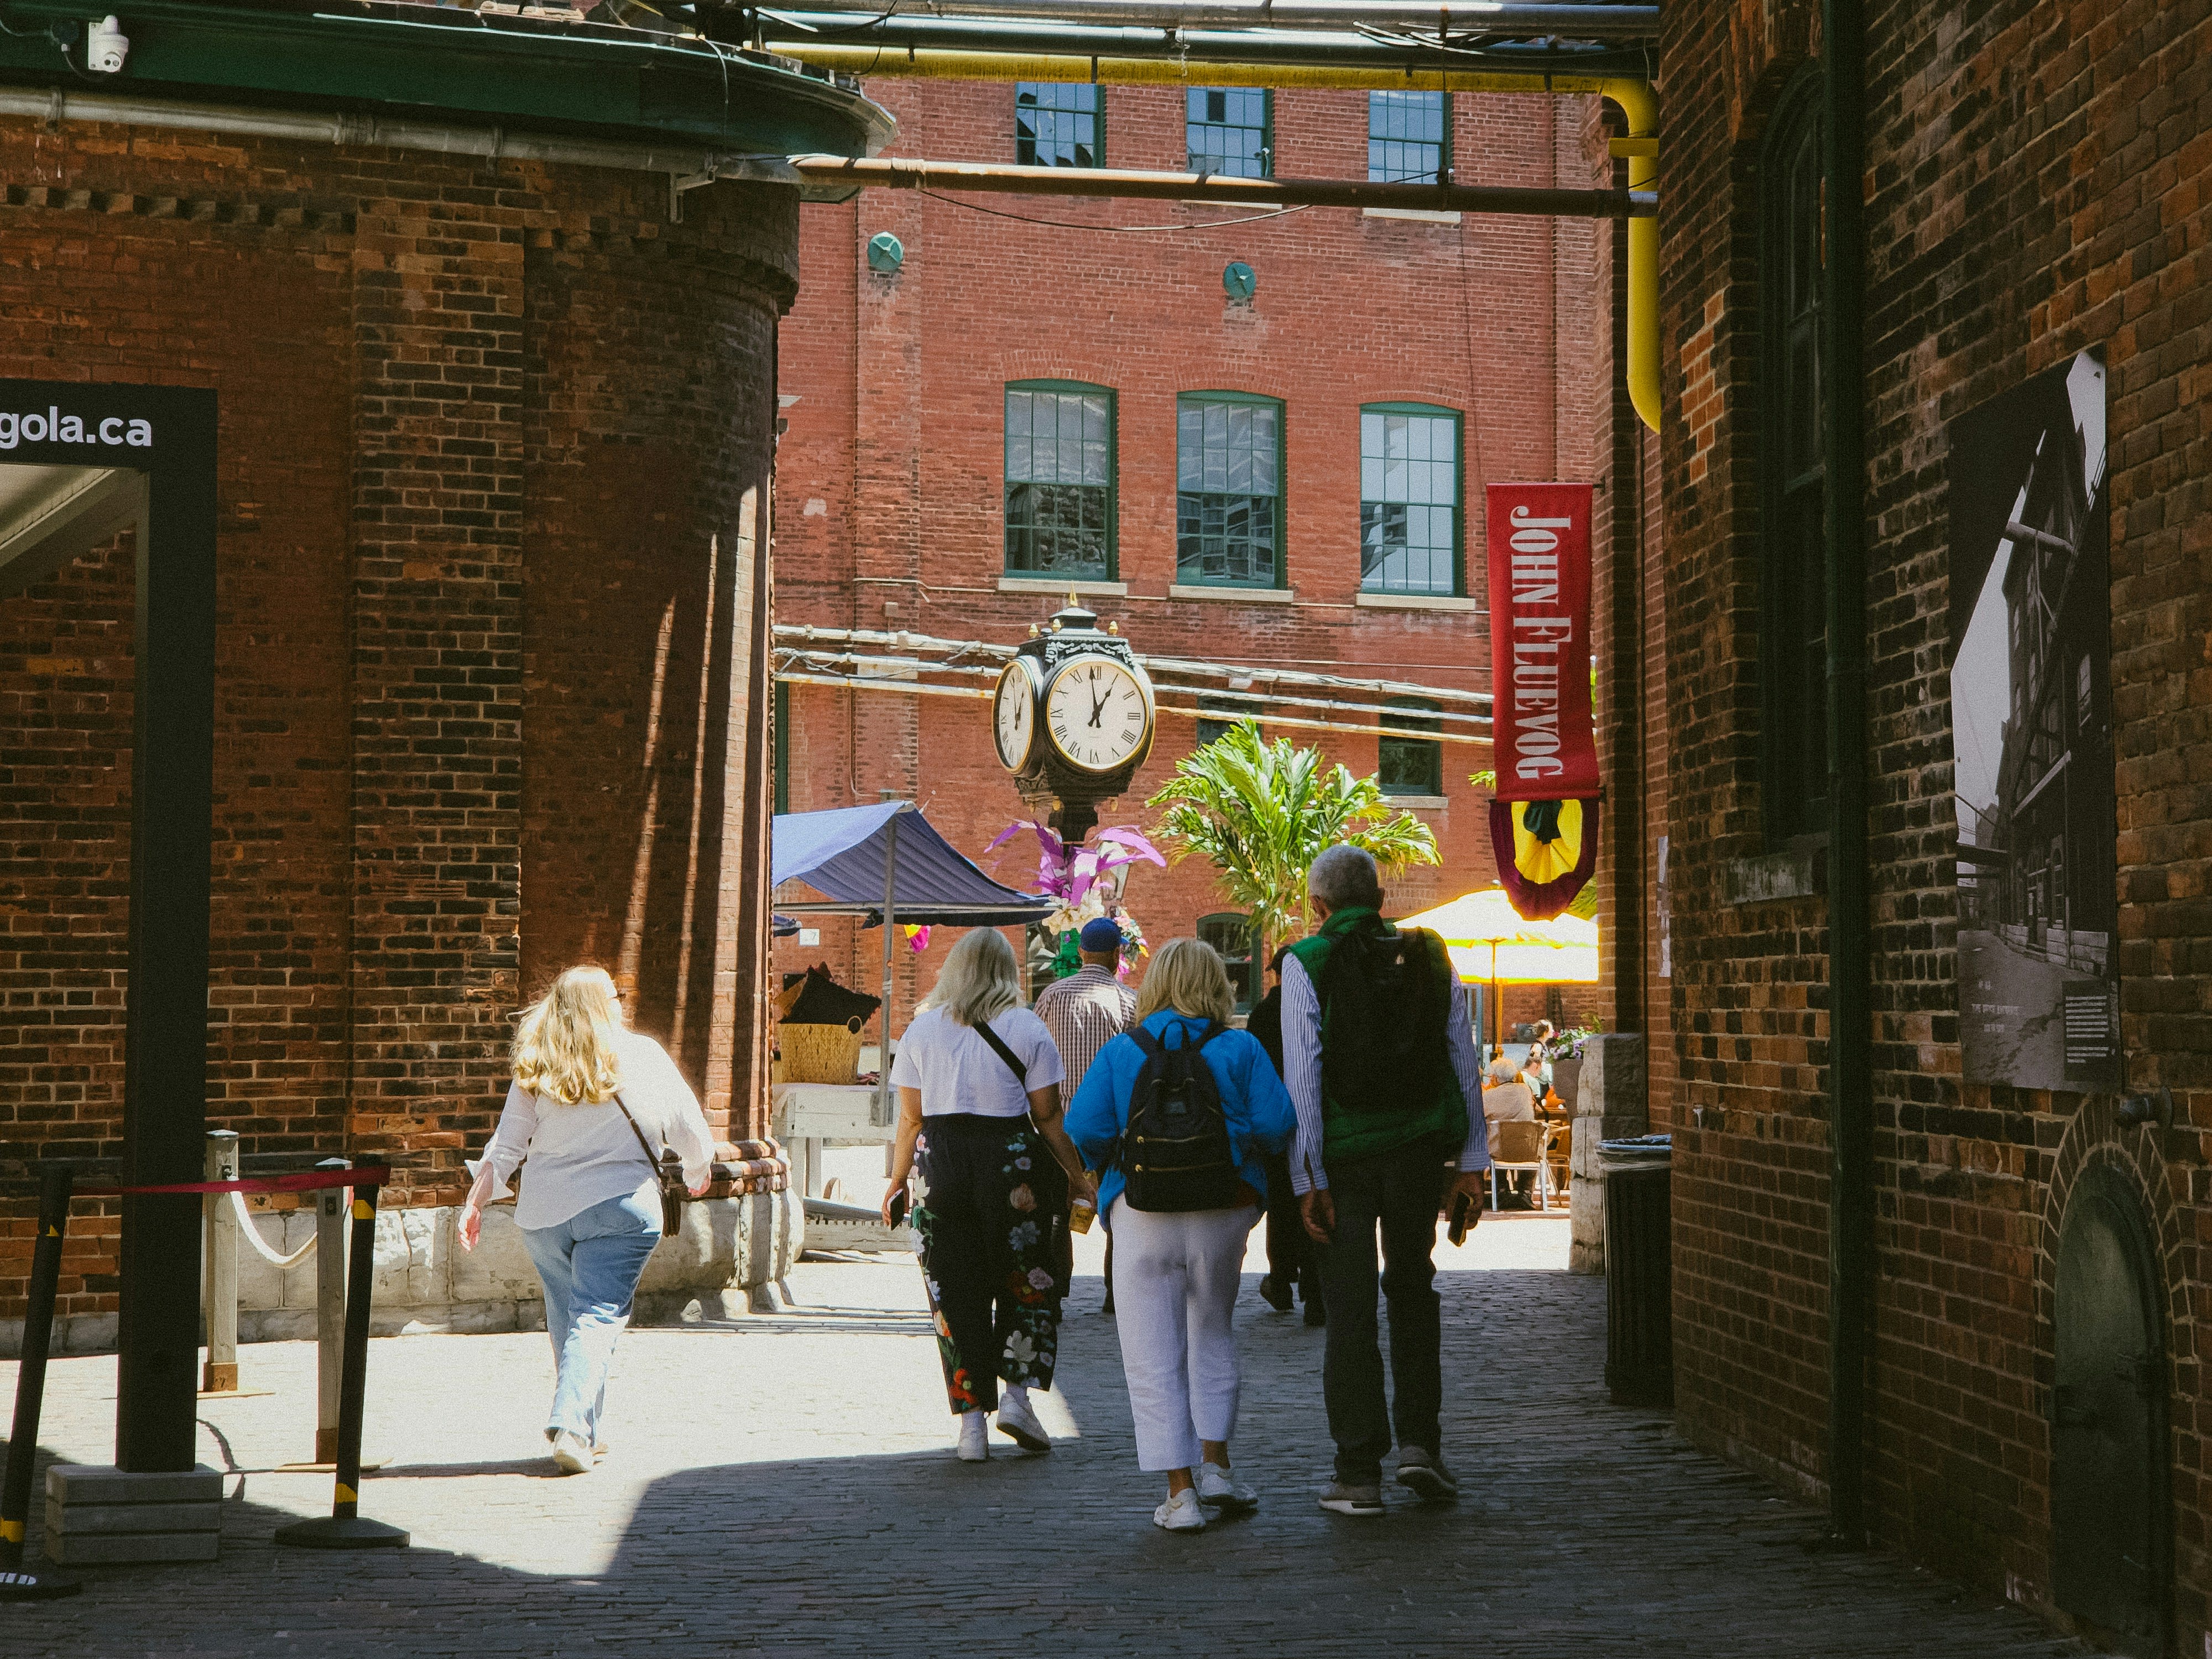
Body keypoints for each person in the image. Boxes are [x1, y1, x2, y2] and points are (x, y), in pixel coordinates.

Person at [1285, 845, 1491, 1517]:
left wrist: (1305, 1174)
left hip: (1341, 1163)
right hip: (1416, 1151)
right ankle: (1420, 1448)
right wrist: (1470, 1161)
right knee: (1412, 1288)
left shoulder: (1305, 962)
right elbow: (1462, 1057)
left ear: (1318, 906)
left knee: (1349, 1309)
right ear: (1379, 898)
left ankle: (1357, 1473)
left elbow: (1305, 1076)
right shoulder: (1430, 953)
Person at [1065, 938, 1296, 1532]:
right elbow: (1276, 1126)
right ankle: (1218, 1466)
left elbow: (1082, 1129)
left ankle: (1180, 1494)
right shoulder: (1239, 1046)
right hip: (1223, 1209)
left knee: (1151, 1355)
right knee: (1213, 1333)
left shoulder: (1123, 1050)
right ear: (1216, 984)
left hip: (1142, 1213)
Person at [458, 965, 714, 1475]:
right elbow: (689, 1128)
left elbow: (506, 1146)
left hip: (545, 1214)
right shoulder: (643, 1054)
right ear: (606, 1005)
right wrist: (697, 1167)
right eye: (617, 996)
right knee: (597, 1315)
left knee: (567, 1318)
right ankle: (572, 1426)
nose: (622, 1003)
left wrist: (476, 1201)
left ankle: (586, 1433)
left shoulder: (538, 1063)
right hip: (622, 1206)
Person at [880, 927, 1097, 1462]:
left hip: (941, 1166)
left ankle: (970, 1426)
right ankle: (1019, 1399)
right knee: (1028, 1279)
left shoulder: (923, 1030)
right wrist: (1077, 1176)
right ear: (1008, 972)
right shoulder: (1028, 1027)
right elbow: (1047, 1115)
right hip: (1012, 1164)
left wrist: (895, 1180)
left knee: (953, 1293)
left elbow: (911, 1118)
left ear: (954, 970)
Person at [1033, 915, 1139, 1314]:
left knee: (1058, 1208)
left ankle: (1057, 1291)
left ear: (1080, 953)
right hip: (1111, 1122)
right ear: (1117, 955)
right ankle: (1115, 1293)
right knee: (1116, 1204)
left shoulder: (1051, 996)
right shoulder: (1129, 1000)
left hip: (1056, 1120)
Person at [1243, 947, 1322, 1326]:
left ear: (1272, 973)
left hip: (1273, 1118)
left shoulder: (1261, 1014)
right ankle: (1313, 1282)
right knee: (1312, 1189)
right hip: (1314, 1115)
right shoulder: (1318, 1006)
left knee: (1280, 1201)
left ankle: (1280, 1280)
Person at [1483, 1055, 1540, 1209]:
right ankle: (1525, 1192)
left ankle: (1501, 1191)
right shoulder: (1525, 1090)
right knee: (1524, 1146)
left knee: (1494, 1143)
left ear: (1495, 1078)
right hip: (1528, 1150)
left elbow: (1480, 1116)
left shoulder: (1489, 1096)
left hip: (1500, 1153)